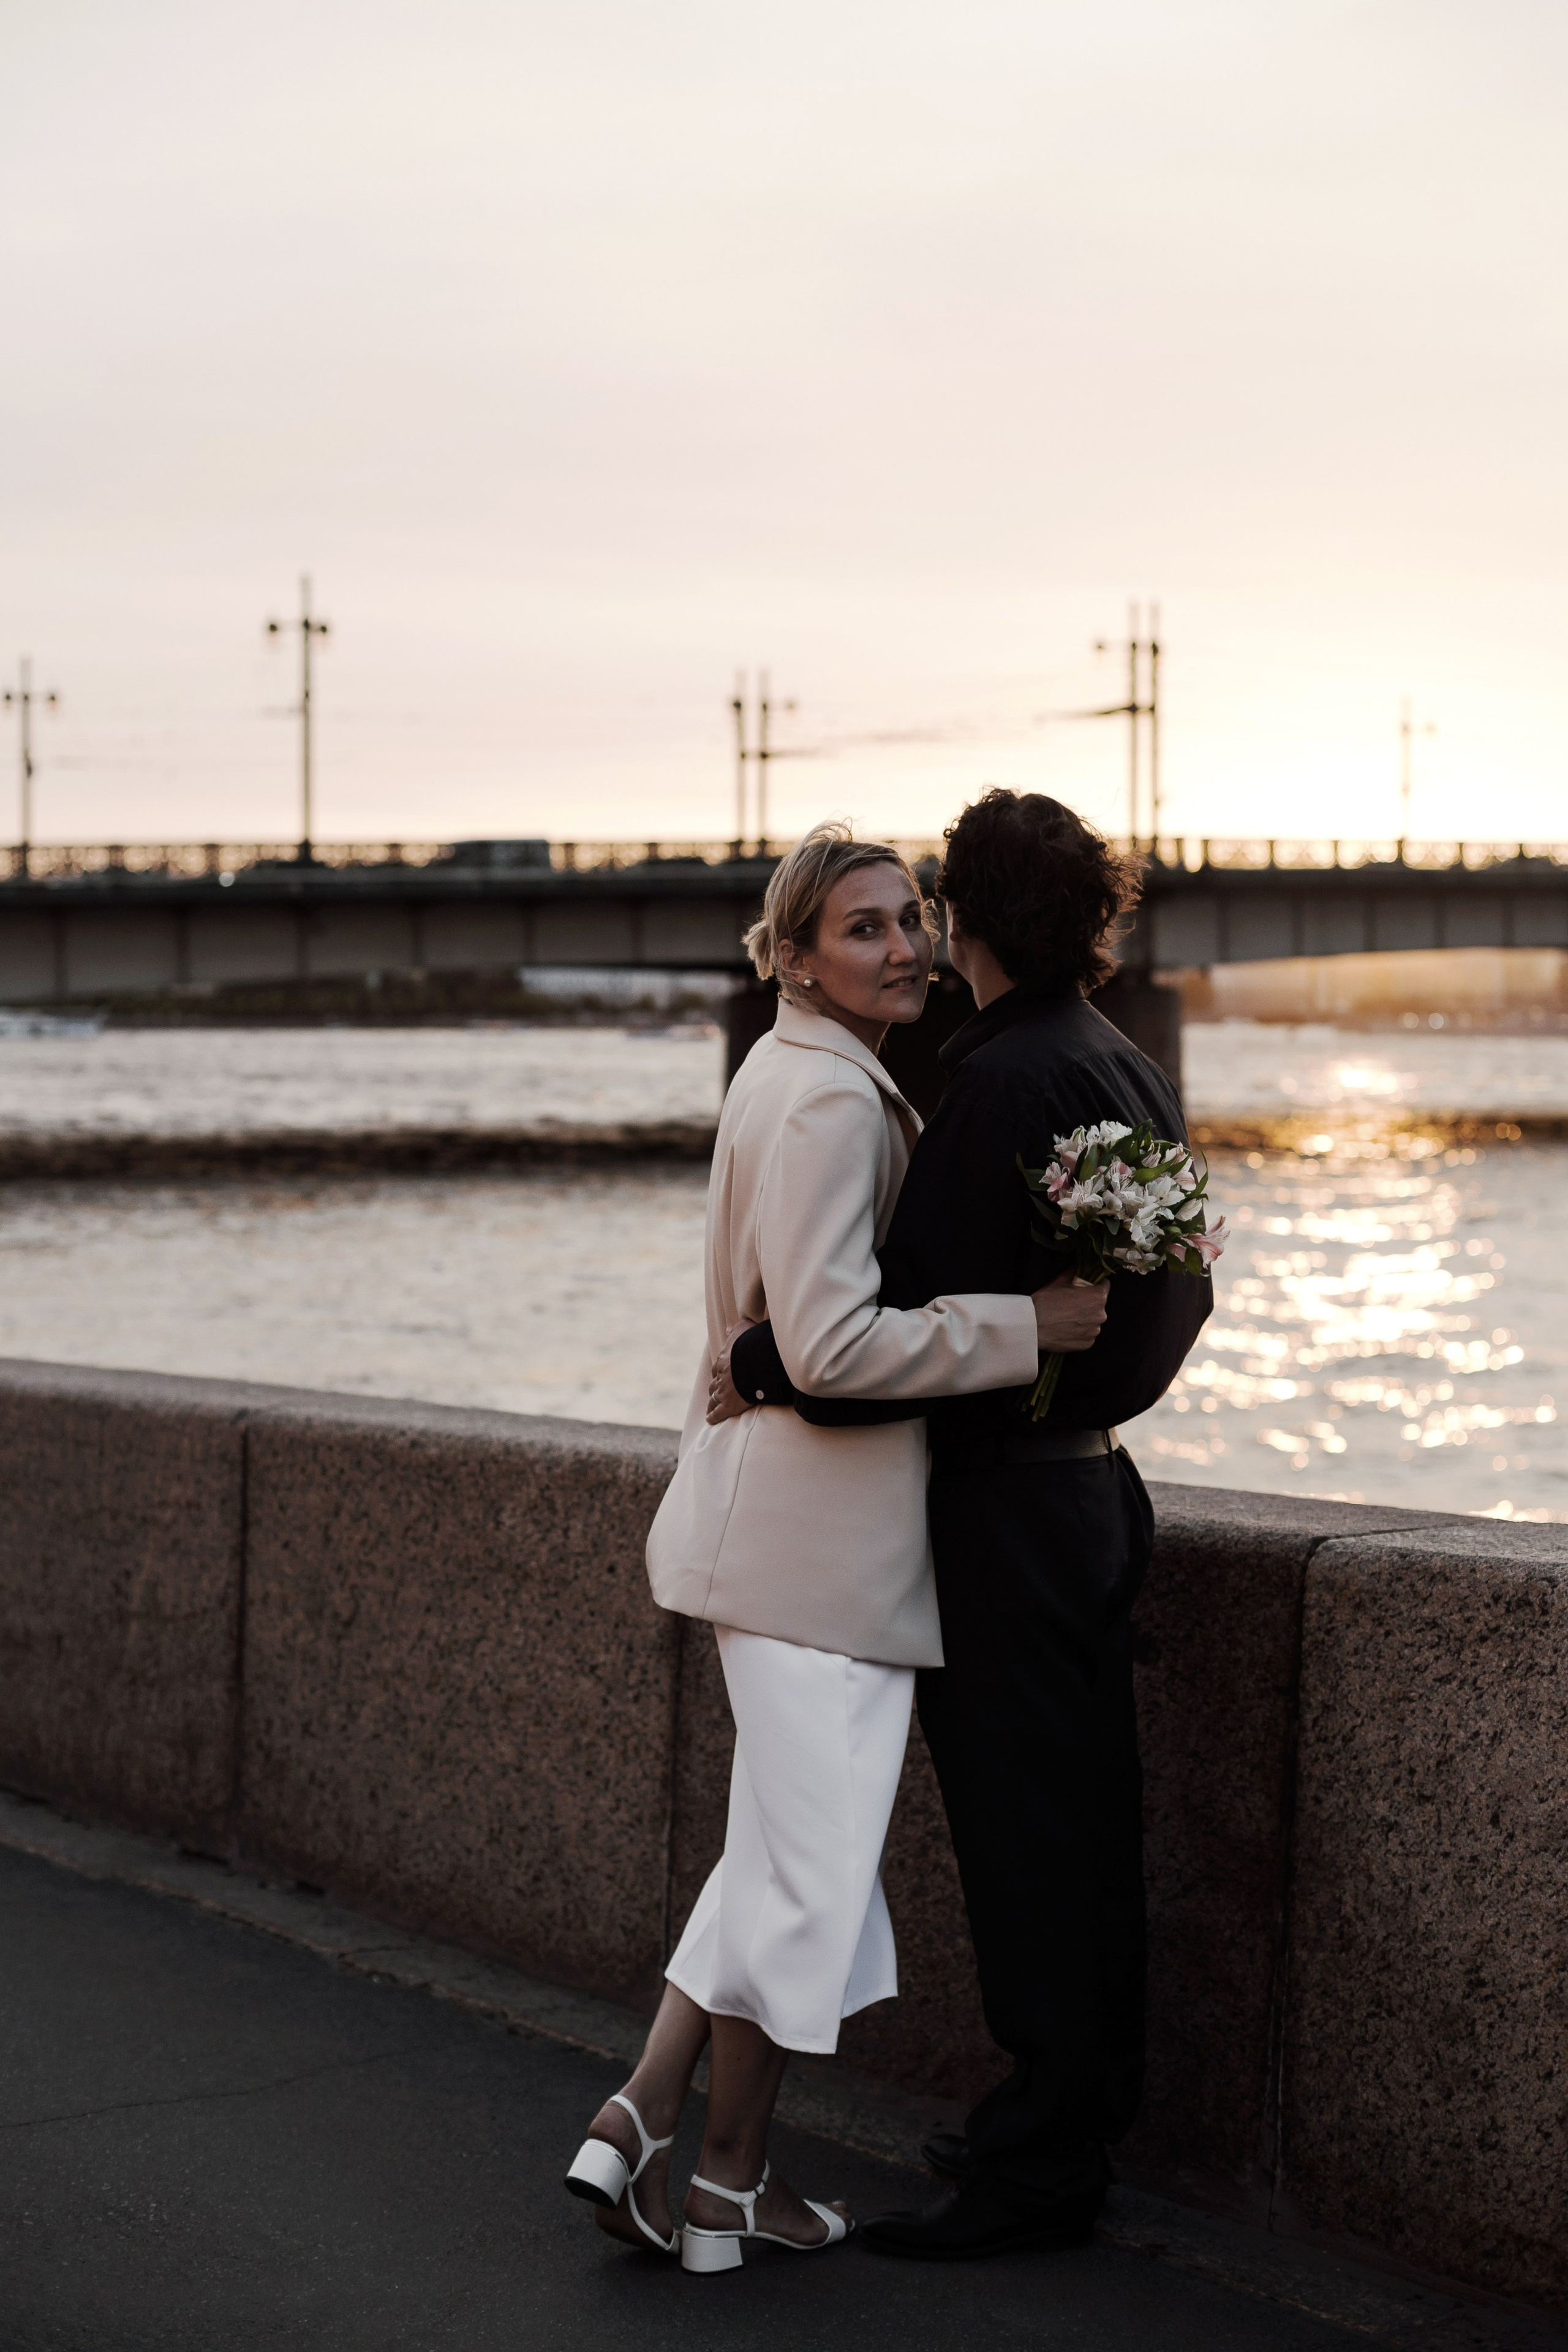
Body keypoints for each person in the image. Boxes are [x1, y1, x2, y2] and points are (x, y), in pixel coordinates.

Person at [562, 821, 1110, 2274]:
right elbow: (825, 1345)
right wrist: (1027, 1329)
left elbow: (775, 1337)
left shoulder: (800, 1070)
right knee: (806, 1884)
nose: (902, 947)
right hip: (822, 1554)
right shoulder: (826, 1103)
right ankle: (725, 2188)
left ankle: (636, 2119)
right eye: (861, 928)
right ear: (791, 953)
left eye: (909, 921)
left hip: (801, 1544)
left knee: (769, 1862)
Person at [714, 789, 1213, 2260]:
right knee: (1085, 1832)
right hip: (1089, 1487)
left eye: (922, 913)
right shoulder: (1119, 1064)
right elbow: (1177, 1293)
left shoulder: (992, 1084)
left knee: (1024, 1845)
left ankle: (1038, 2166)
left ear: (967, 920)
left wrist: (759, 1361)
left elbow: (878, 1329)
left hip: (1000, 1516)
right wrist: (1084, 1401)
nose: (915, 940)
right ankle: (1058, 2127)